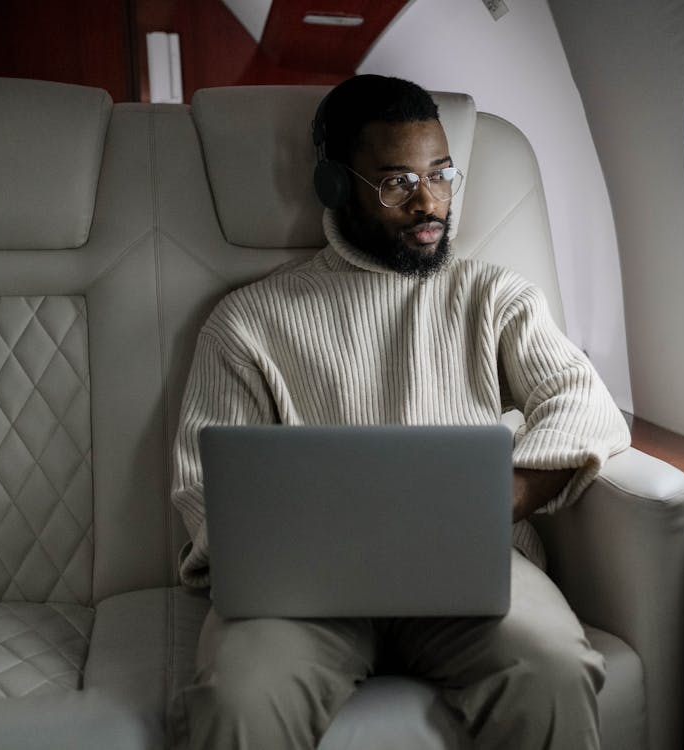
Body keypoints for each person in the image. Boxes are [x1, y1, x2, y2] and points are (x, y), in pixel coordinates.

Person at [170, 74, 631, 750]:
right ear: (335, 186)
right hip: (303, 594)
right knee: (241, 699)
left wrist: (499, 498)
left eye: (441, 174)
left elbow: (583, 404)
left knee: (554, 670)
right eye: (397, 183)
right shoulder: (248, 322)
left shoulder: (493, 296)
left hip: (472, 571)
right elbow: (202, 488)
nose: (430, 203)